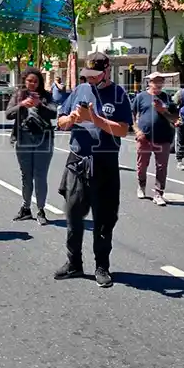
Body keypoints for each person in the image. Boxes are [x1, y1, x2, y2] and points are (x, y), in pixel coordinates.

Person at [54, 52, 132, 288]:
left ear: (107, 71)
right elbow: (60, 121)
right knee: (73, 216)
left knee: (104, 218)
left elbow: (123, 130)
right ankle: (74, 263)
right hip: (78, 161)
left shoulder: (118, 94)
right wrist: (71, 119)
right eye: (87, 75)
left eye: (95, 75)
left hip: (105, 163)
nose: (90, 79)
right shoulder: (80, 90)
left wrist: (95, 119)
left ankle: (102, 266)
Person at [6, 68, 57, 225]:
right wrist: (22, 105)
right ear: (24, 81)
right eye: (29, 81)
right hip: (23, 139)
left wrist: (39, 105)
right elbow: (8, 114)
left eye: (35, 81)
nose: (32, 84)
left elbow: (53, 113)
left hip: (43, 140)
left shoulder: (46, 96)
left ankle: (41, 209)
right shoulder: (18, 95)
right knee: (26, 176)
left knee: (40, 175)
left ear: (40, 82)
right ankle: (26, 208)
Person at [132, 72, 179, 206]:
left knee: (161, 167)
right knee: (142, 165)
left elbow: (174, 118)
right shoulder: (141, 97)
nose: (158, 83)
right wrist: (137, 131)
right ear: (150, 82)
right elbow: (131, 114)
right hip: (144, 138)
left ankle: (158, 194)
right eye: (155, 81)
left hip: (163, 137)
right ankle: (141, 186)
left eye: (160, 81)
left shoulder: (167, 98)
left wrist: (163, 110)